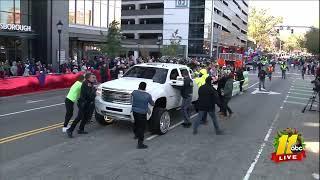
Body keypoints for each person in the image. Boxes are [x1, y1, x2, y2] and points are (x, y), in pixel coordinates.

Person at [67, 73, 97, 138]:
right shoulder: (85, 84)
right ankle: (70, 130)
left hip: (88, 103)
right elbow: (88, 95)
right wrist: (95, 91)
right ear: (88, 78)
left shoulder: (90, 83)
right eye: (92, 77)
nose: (94, 79)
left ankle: (81, 129)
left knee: (86, 117)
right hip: (83, 103)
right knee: (79, 117)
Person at [131, 82, 155, 149]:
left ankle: (136, 135)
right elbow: (152, 104)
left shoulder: (134, 92)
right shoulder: (147, 95)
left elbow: (131, 100)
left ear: (139, 86)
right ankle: (140, 144)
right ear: (145, 87)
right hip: (142, 113)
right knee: (142, 127)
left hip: (134, 111)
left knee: (136, 123)